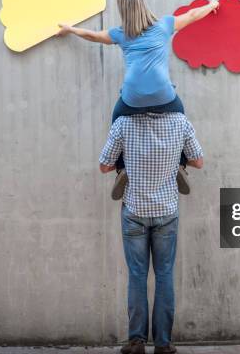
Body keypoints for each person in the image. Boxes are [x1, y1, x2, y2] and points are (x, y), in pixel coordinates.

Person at [57, 0, 217, 199]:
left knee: (117, 121)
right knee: (180, 116)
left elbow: (93, 36)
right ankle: (179, 164)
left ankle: (122, 168)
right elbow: (192, 15)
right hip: (164, 96)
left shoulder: (120, 34)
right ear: (144, 4)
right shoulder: (165, 25)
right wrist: (212, 5)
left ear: (123, 10)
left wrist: (70, 29)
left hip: (132, 98)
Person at [99, 111, 204, 354]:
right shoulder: (180, 121)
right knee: (164, 274)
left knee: (137, 276)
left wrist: (127, 161)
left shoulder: (123, 123)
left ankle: (136, 342)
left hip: (134, 210)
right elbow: (198, 161)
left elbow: (104, 166)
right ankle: (163, 344)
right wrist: (175, 160)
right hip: (167, 211)